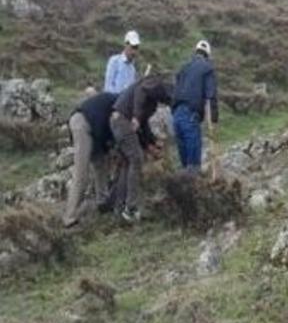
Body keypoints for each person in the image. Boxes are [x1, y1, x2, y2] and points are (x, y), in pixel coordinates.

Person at [110, 75, 172, 222]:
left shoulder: (152, 102)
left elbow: (143, 125)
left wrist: (152, 142)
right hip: (122, 120)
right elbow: (141, 90)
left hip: (118, 121)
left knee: (127, 164)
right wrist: (136, 116)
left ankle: (119, 209)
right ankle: (130, 208)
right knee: (136, 159)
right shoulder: (155, 84)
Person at [63, 91, 119, 228]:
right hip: (82, 124)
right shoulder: (116, 104)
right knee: (82, 172)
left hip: (92, 128)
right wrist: (109, 146)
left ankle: (103, 202)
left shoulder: (115, 101)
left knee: (101, 164)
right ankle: (69, 216)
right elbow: (101, 126)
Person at [172, 40, 219, 173]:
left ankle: (184, 188)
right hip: (190, 115)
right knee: (193, 165)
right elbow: (211, 95)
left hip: (176, 115)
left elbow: (175, 90)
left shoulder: (184, 67)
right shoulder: (207, 69)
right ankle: (194, 186)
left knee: (184, 163)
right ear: (207, 55)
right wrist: (214, 119)